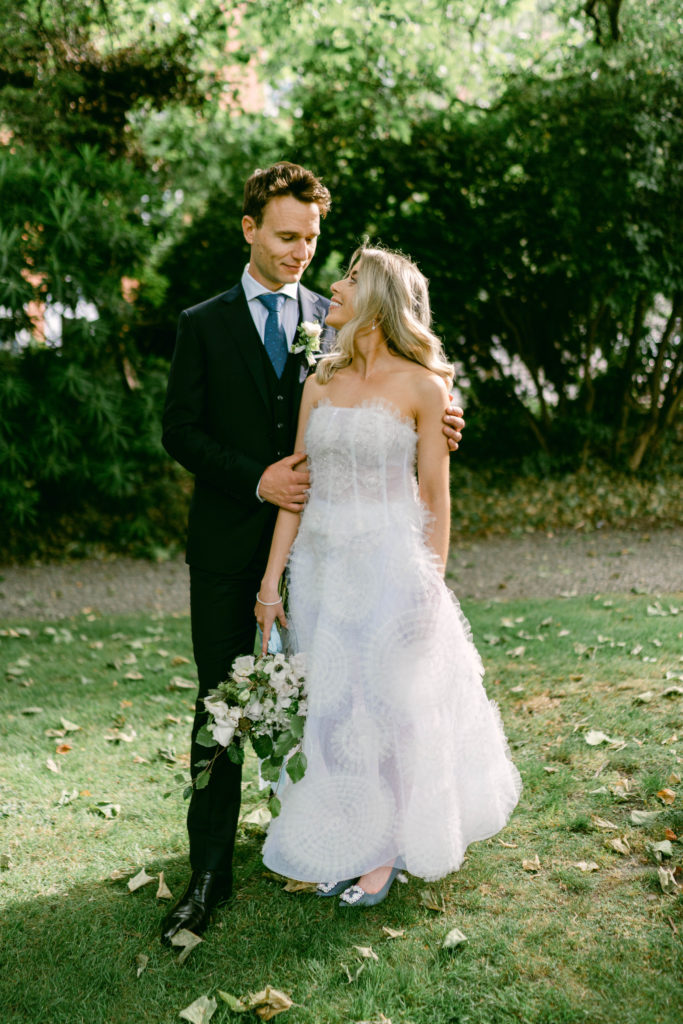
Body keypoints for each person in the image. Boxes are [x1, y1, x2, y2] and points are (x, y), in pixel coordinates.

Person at [160, 164, 465, 943]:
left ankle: (358, 833)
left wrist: (443, 423)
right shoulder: (203, 322)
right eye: (287, 236)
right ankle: (207, 871)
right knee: (221, 705)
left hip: (337, 554)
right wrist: (256, 480)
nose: (302, 252)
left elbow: (395, 405)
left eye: (313, 238)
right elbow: (179, 432)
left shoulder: (330, 320)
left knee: (346, 700)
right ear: (250, 229)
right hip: (235, 547)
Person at [255, 245, 521, 906]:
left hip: (390, 567)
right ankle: (349, 831)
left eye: (347, 278)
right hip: (320, 568)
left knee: (393, 705)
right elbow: (297, 484)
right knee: (338, 704)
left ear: (376, 297)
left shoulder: (424, 387)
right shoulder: (319, 379)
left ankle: (389, 849)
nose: (334, 287)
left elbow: (435, 496)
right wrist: (270, 584)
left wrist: (429, 588)